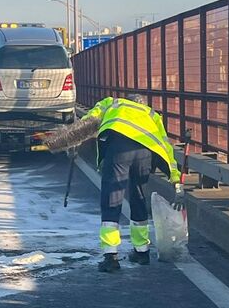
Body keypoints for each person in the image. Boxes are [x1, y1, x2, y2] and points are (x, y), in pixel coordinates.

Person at [47, 95, 182, 272]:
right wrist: (176, 180)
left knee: (112, 198)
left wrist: (68, 140)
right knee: (138, 197)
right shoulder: (151, 113)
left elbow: (87, 123)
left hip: (119, 149)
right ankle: (142, 252)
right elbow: (165, 146)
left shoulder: (113, 103)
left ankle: (111, 256)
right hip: (145, 153)